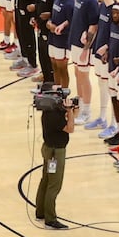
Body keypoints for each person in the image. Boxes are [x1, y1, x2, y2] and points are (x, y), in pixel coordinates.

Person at [35, 89, 74, 229]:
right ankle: (50, 219)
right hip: (55, 154)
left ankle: (40, 212)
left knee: (45, 180)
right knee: (54, 185)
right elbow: (70, 128)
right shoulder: (54, 116)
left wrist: (69, 110)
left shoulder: (48, 112)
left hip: (48, 150)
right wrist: (69, 111)